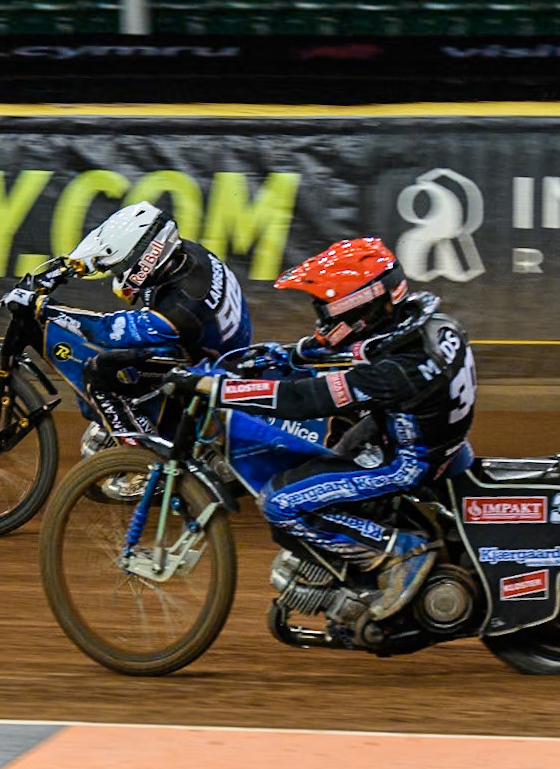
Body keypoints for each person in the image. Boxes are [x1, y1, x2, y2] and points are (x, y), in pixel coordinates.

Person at [171, 236, 477, 626]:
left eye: (327, 310)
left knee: (280, 503)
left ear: (362, 308)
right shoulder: (426, 324)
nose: (322, 319)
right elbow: (356, 348)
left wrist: (220, 389)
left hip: (407, 461)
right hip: (422, 436)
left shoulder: (396, 371)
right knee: (326, 453)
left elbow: (306, 400)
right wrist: (290, 353)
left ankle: (399, 550)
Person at [47, 201, 255, 453]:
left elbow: (107, 332)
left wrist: (51, 311)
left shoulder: (181, 307)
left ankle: (142, 457)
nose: (117, 272)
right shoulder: (184, 254)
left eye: (122, 266)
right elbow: (117, 247)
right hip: (222, 341)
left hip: (210, 363)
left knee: (100, 371)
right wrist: (69, 265)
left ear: (146, 257)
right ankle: (147, 417)